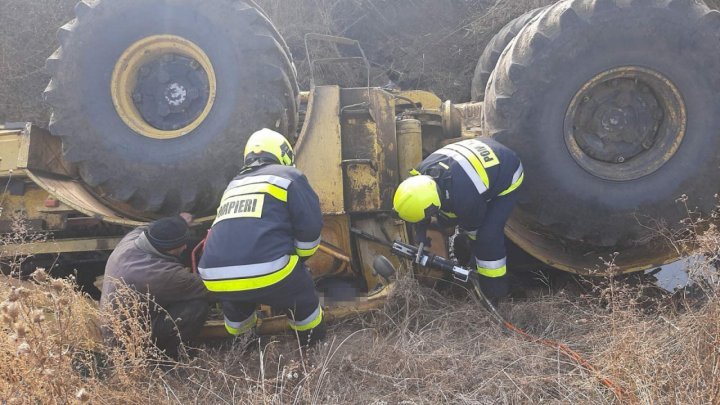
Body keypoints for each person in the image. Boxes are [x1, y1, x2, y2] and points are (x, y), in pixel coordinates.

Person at [198, 128, 325, 346]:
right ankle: (312, 345)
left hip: (215, 277)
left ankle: (243, 346)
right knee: (302, 298)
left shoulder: (233, 185)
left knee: (237, 302)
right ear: (283, 153)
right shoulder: (289, 177)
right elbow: (310, 227)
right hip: (272, 274)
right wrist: (300, 259)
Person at [393, 137, 523, 301]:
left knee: (487, 238)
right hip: (482, 150)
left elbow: (475, 234)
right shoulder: (419, 176)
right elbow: (422, 215)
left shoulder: (465, 199)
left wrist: (473, 263)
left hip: (508, 172)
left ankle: (494, 294)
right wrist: (421, 236)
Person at [100, 213, 209, 359]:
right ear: (169, 250)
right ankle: (171, 360)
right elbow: (211, 289)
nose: (185, 246)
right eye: (181, 245)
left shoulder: (131, 240)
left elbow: (150, 227)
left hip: (113, 326)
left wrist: (179, 221)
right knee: (196, 306)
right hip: (126, 343)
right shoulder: (162, 275)